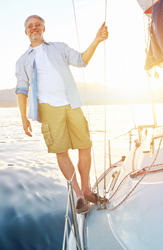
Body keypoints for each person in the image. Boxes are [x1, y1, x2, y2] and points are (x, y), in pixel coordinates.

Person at [15, 15, 108, 214]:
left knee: (85, 146)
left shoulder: (59, 47)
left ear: (44, 28)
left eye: (38, 24)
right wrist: (24, 118)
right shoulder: (22, 61)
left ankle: (87, 189)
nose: (34, 28)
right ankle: (79, 195)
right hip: (48, 110)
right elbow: (22, 89)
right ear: (26, 32)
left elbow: (82, 60)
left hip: (72, 104)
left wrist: (96, 41)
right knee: (61, 151)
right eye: (30, 26)